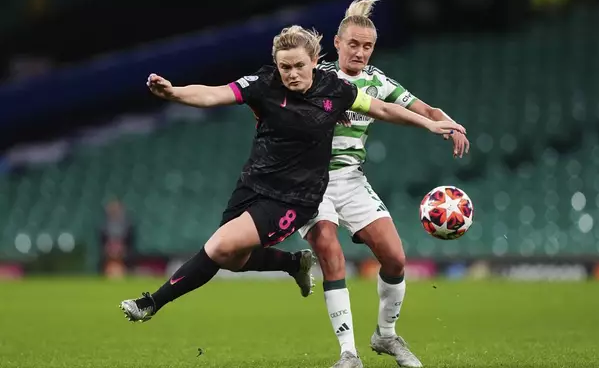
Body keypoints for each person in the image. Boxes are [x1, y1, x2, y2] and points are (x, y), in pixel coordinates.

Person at [118, 24, 466, 330]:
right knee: (231, 259)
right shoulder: (263, 84)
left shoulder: (336, 90)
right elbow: (214, 93)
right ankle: (294, 262)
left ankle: (151, 303)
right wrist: (175, 93)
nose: (292, 73)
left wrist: (430, 122)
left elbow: (385, 109)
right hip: (253, 184)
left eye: (300, 65)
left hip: (295, 196)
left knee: (220, 246)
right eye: (285, 67)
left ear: (315, 60)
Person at [235, 0, 471, 368]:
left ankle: (386, 336)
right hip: (309, 182)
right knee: (329, 249)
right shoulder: (317, 77)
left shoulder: (377, 82)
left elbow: (423, 110)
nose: (360, 51)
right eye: (354, 44)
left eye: (368, 46)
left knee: (394, 258)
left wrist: (450, 124)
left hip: (352, 180)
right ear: (337, 43)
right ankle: (349, 354)